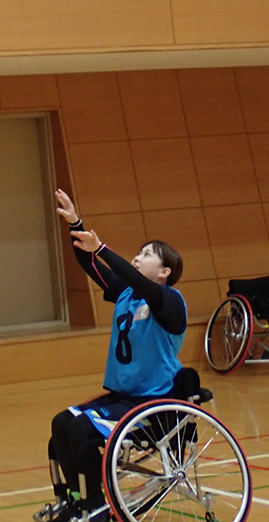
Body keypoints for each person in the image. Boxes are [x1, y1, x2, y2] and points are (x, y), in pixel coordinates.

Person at [35, 189, 186, 522]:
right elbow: (89, 263)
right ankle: (76, 500)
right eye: (139, 252)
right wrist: (76, 223)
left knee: (81, 431)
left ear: (164, 272)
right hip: (123, 397)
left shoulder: (170, 301)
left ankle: (97, 506)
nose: (138, 257)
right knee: (61, 423)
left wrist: (102, 247)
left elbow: (128, 275)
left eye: (147, 254)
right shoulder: (128, 294)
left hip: (153, 401)